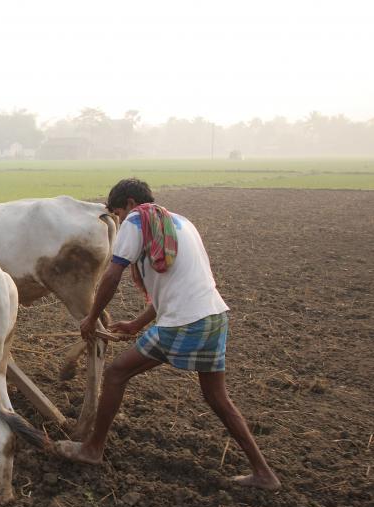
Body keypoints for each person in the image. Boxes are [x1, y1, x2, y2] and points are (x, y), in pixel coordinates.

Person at [54, 178, 281, 490]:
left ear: (130, 204)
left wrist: (91, 318)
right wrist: (136, 324)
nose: (119, 221)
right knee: (217, 398)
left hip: (183, 323)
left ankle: (92, 449)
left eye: (118, 213)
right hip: (213, 317)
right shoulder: (181, 223)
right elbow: (177, 287)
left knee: (117, 373)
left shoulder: (137, 219)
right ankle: (264, 473)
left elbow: (112, 274)